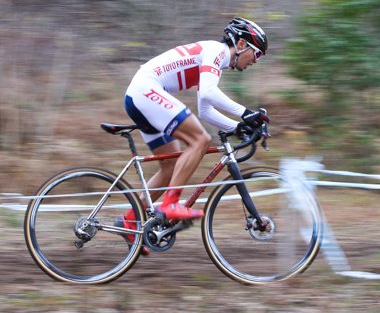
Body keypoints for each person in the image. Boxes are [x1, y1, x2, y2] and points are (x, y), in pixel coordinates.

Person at [115, 17, 269, 251]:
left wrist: (237, 127)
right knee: (200, 140)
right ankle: (170, 204)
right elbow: (208, 92)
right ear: (240, 45)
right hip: (146, 90)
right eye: (256, 54)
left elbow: (205, 110)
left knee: (171, 166)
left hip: (138, 96)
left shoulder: (214, 62)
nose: (255, 61)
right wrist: (246, 113)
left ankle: (129, 219)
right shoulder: (217, 51)